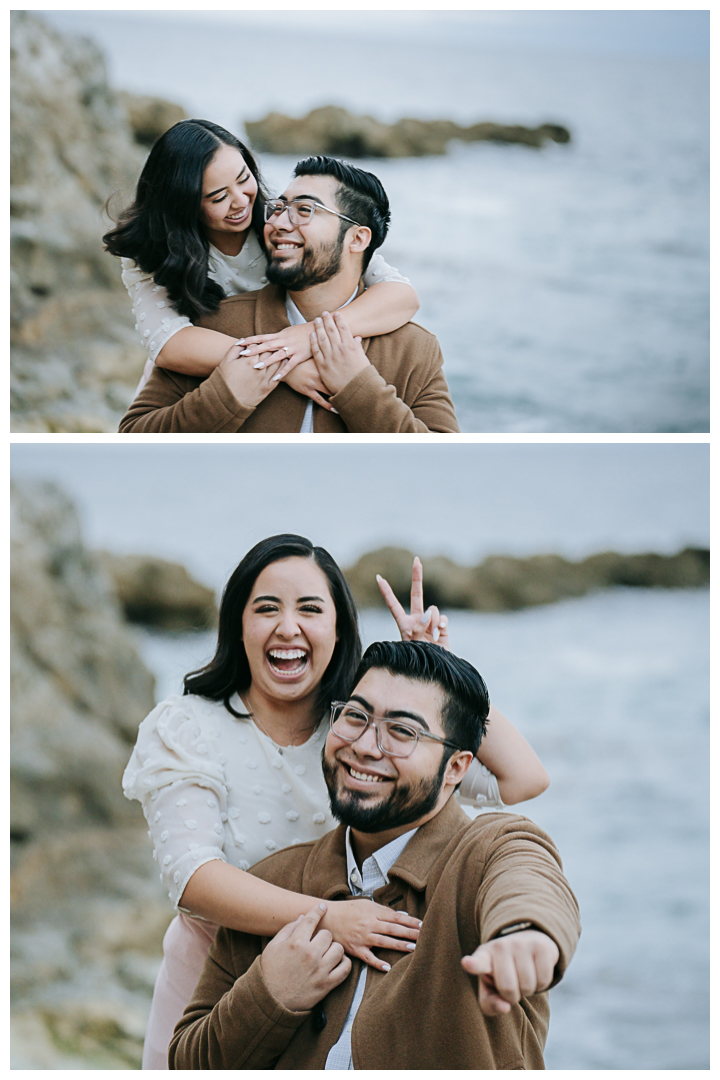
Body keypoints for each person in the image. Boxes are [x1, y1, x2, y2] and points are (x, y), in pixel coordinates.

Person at [123, 536, 549, 1068]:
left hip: (350, 972)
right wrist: (329, 917)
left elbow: (522, 779)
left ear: (339, 628)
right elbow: (192, 877)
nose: (287, 627)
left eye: (310, 609)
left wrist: (437, 670)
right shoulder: (189, 727)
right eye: (266, 608)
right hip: (218, 982)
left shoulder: (358, 732)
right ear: (238, 624)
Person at [168, 640, 580, 1070]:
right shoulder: (272, 881)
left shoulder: (487, 851)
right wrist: (269, 994)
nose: (365, 746)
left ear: (456, 768)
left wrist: (525, 936)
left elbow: (529, 881)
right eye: (355, 716)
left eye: (402, 731)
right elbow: (186, 1064)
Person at [117, 156, 459, 432]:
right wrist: (227, 395)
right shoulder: (215, 325)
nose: (279, 222)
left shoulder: (416, 350)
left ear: (357, 240)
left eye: (305, 210)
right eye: (279, 207)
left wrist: (357, 386)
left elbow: (446, 465)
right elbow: (133, 438)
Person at [104, 119, 419, 409]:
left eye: (244, 179)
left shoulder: (280, 225)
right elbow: (170, 343)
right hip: (196, 380)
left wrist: (306, 336)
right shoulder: (150, 252)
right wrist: (282, 364)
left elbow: (402, 296)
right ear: (183, 203)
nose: (241, 200)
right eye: (217, 197)